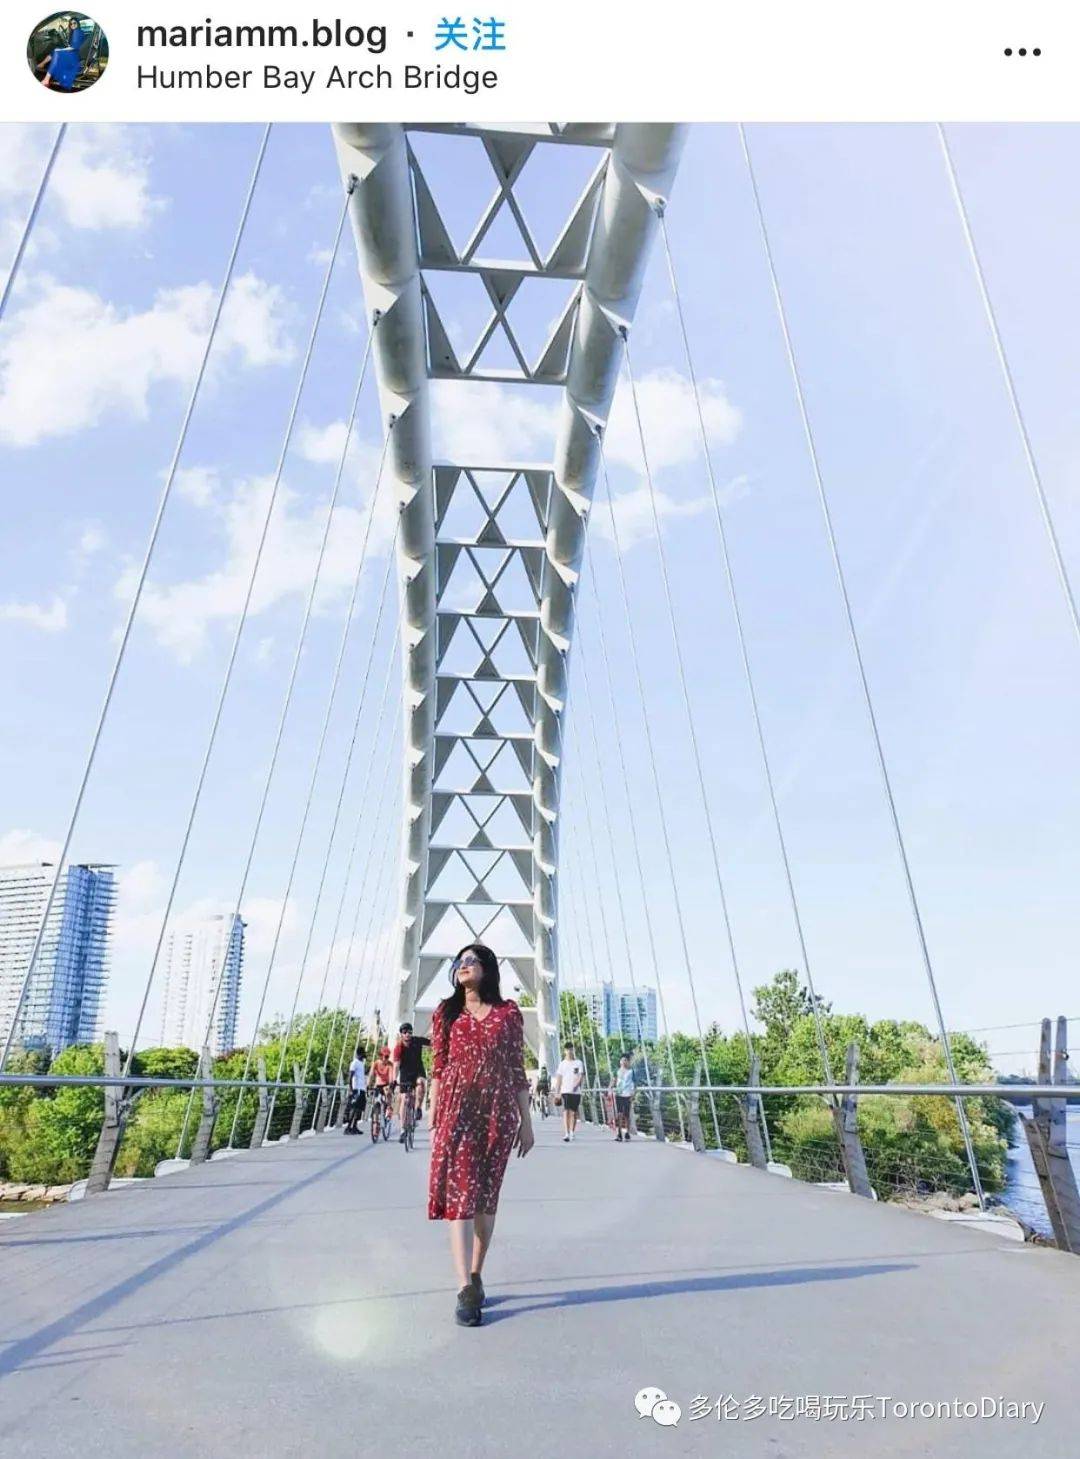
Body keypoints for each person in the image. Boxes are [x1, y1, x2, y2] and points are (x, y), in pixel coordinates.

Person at [428, 943, 533, 1327]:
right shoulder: (446, 1012)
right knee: (460, 1197)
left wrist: (527, 1120)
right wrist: (433, 1111)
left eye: (472, 961)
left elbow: (517, 1068)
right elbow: (438, 1065)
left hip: (497, 1113)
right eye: (460, 961)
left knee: (485, 1201)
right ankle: (464, 1289)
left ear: (487, 970)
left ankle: (476, 1273)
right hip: (457, 1110)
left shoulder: (508, 1014)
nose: (463, 966)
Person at [393, 1022, 431, 1141]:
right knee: (404, 1099)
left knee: (421, 1085)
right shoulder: (398, 1048)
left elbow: (432, 1043)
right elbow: (396, 1066)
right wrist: (394, 1080)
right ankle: (403, 1129)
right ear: (401, 1034)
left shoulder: (417, 1041)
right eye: (405, 1032)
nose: (407, 1035)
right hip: (405, 1073)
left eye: (409, 1032)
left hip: (417, 1070)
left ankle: (418, 1108)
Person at [553, 1043, 585, 1142]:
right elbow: (559, 1078)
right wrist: (557, 1092)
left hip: (576, 1091)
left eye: (571, 1049)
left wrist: (576, 1085)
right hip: (565, 1090)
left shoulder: (578, 1063)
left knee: (573, 1112)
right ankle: (566, 1133)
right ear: (565, 1051)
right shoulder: (562, 1064)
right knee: (566, 1111)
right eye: (567, 1050)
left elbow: (581, 1076)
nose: (569, 1052)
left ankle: (572, 1132)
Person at [369, 1045, 394, 1135]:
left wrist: (391, 1084)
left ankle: (389, 1109)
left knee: (388, 1093)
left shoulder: (390, 1064)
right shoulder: (376, 1063)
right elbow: (371, 1075)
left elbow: (391, 1076)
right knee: (376, 1103)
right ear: (380, 1056)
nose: (385, 1059)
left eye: (387, 1057)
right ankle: (375, 1125)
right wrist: (368, 1085)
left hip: (387, 1084)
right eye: (383, 1056)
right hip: (378, 1085)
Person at [611, 1053, 635, 1142]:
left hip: (628, 1095)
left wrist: (633, 1094)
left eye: (626, 1060)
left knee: (627, 1115)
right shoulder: (617, 1071)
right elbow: (614, 1080)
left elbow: (635, 1084)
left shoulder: (631, 1071)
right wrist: (609, 1089)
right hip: (619, 1094)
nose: (624, 1062)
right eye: (622, 1060)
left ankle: (627, 1133)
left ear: (628, 1062)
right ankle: (619, 1133)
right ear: (620, 1061)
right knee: (619, 1114)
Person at [345, 1043, 367, 1133]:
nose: (363, 1057)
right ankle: (348, 1127)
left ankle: (354, 1127)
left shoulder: (361, 1063)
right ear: (359, 1054)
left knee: (359, 1109)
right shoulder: (354, 1063)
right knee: (354, 1109)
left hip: (362, 1089)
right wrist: (351, 1089)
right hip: (356, 1089)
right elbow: (350, 1076)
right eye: (363, 1055)